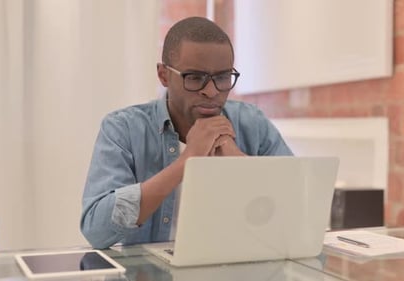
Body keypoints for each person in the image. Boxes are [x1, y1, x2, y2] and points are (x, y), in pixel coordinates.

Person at [80, 16, 293, 249]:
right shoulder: (123, 128)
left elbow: (297, 207)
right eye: (195, 78)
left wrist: (238, 164)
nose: (211, 91)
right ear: (163, 75)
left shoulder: (252, 122)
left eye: (222, 77)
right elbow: (96, 230)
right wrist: (187, 161)